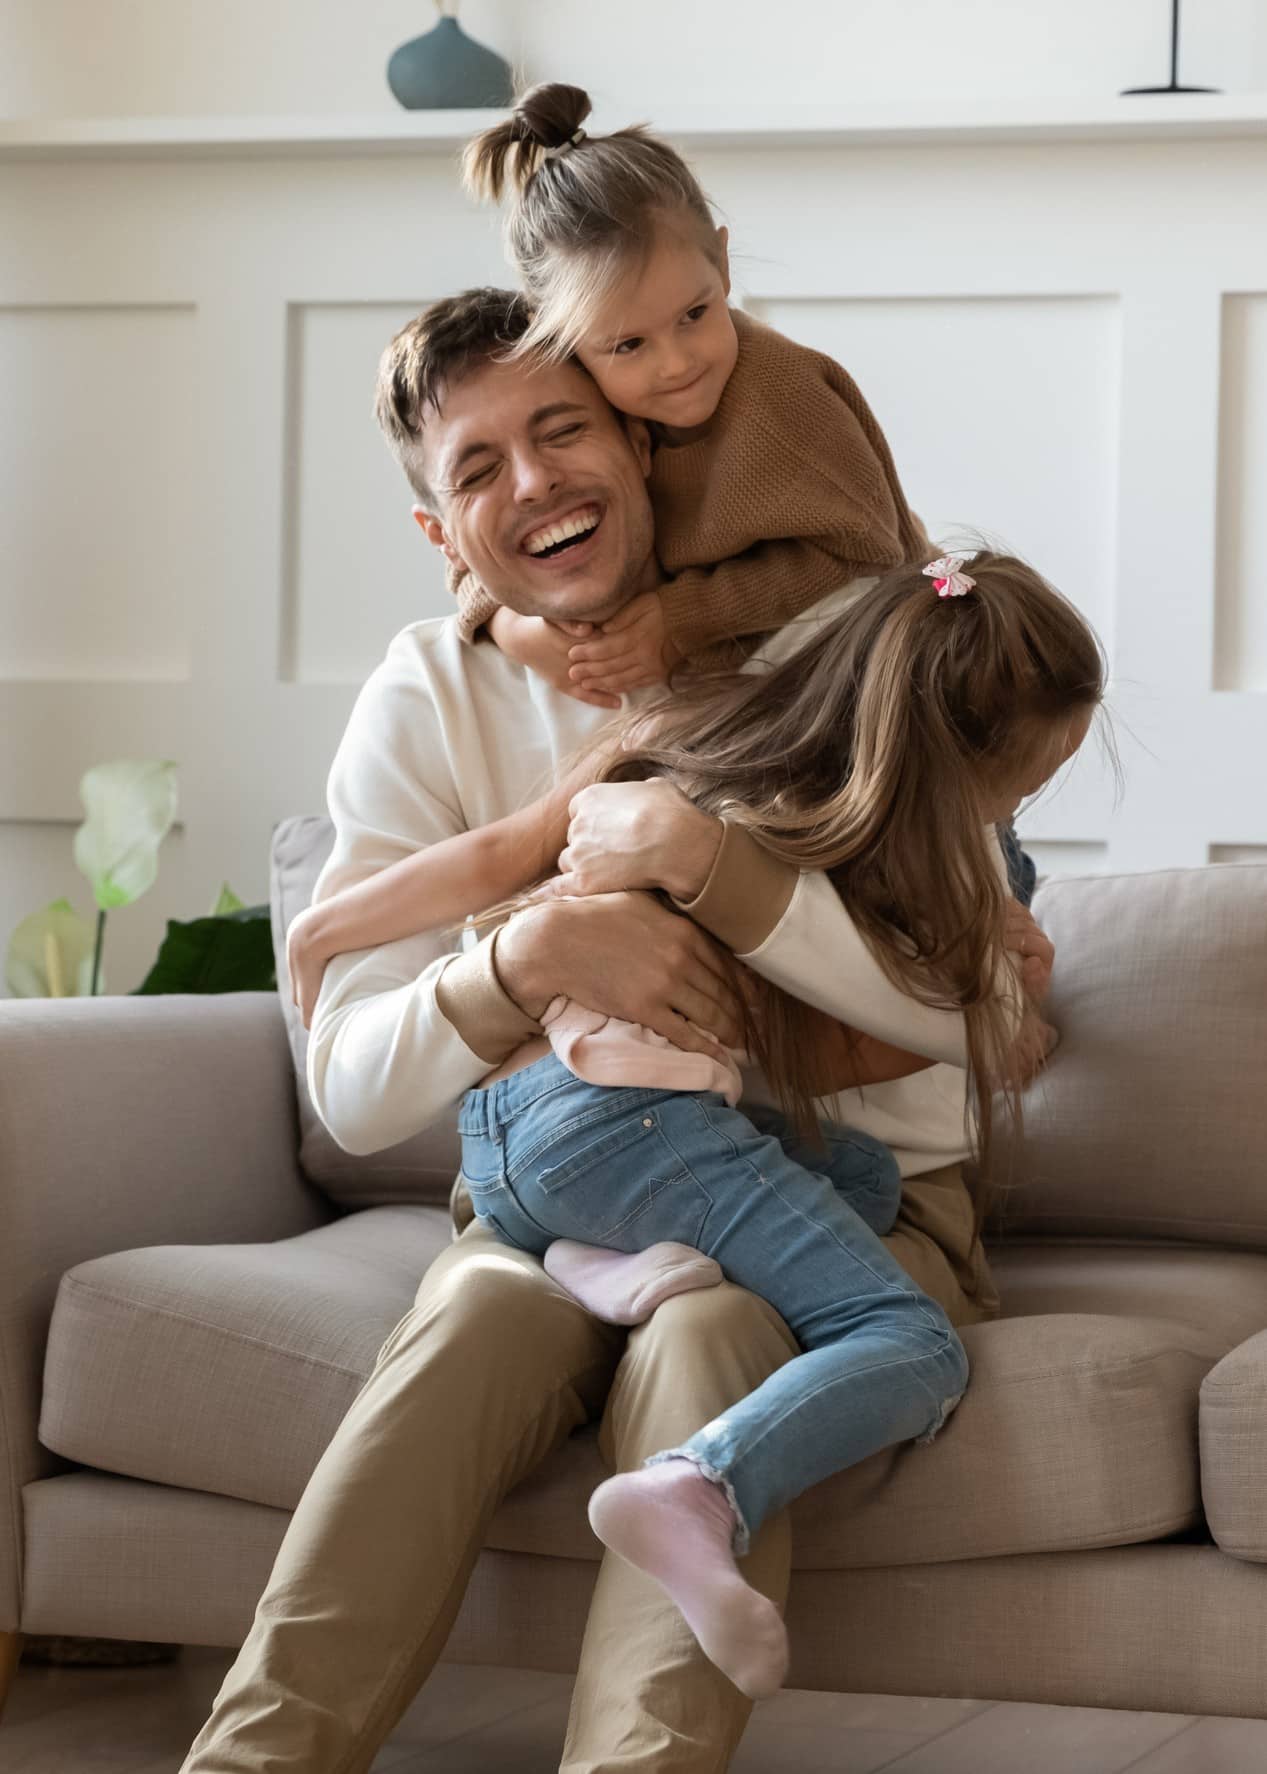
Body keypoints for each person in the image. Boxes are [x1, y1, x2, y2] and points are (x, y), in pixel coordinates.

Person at [180, 287, 1049, 1774]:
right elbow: (347, 1081)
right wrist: (524, 960)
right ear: (441, 534)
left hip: (854, 1188)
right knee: (467, 1318)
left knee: (715, 1330)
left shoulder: (833, 647)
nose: (532, 483)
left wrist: (727, 892)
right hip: (570, 1193)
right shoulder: (429, 688)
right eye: (475, 468)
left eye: (564, 427)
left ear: (643, 448)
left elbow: (984, 1014)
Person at [449, 80, 934, 706]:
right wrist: (509, 623)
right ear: (564, 344)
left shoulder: (784, 397)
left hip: (877, 649)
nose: (677, 364)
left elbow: (870, 550)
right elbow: (468, 539)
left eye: (695, 314)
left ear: (724, 267)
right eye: (629, 346)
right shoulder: (574, 405)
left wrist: (684, 618)